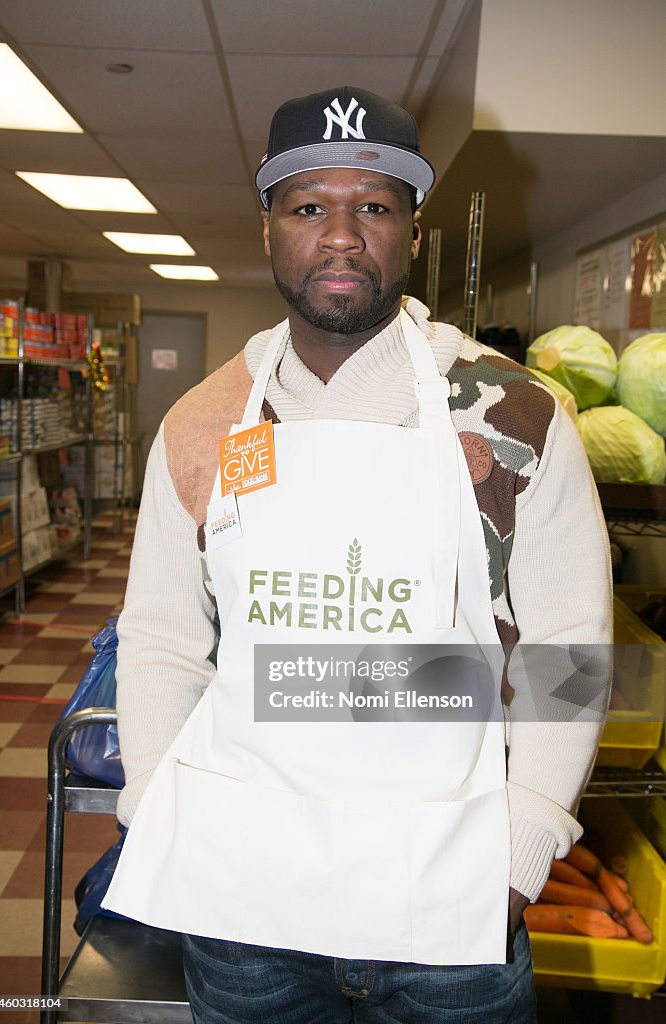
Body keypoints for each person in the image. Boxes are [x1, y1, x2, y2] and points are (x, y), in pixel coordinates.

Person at [103, 86, 612, 1023]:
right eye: (308, 207)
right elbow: (164, 640)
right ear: (267, 229)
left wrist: (522, 845)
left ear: (413, 234)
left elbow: (569, 654)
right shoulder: (202, 426)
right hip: (245, 909)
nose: (340, 236)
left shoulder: (517, 420)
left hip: (452, 906)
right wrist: (155, 814)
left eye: (373, 206)